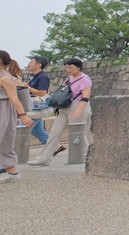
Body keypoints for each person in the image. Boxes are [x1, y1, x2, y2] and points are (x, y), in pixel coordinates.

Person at [27, 57, 92, 167]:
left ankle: (87, 156)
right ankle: (44, 158)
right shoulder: (69, 78)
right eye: (66, 67)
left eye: (70, 67)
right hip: (65, 107)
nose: (68, 69)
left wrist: (79, 109)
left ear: (79, 67)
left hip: (78, 106)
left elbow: (85, 95)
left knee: (78, 132)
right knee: (54, 132)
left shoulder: (85, 79)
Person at [0, 50, 34, 183]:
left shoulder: (6, 78)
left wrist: (23, 116)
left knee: (5, 140)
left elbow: (14, 99)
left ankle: (4, 171)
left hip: (3, 110)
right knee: (5, 141)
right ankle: (12, 172)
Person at [26, 55, 51, 145]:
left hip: (38, 107)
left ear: (39, 65)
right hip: (35, 106)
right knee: (37, 131)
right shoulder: (33, 75)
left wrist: (27, 88)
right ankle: (55, 147)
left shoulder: (43, 77)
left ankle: (16, 152)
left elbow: (42, 93)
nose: (28, 64)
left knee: (22, 129)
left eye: (31, 62)